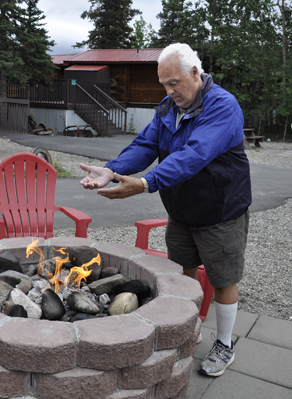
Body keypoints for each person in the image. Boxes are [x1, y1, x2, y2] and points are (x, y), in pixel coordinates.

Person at [79, 43, 252, 377]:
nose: (169, 90)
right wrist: (111, 170)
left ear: (195, 74)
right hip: (182, 209)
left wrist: (144, 184)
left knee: (222, 278)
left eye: (174, 83)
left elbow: (193, 155)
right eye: (164, 84)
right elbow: (145, 145)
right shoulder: (168, 108)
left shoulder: (222, 107)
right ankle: (186, 329)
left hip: (221, 210)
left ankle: (225, 344)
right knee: (184, 271)